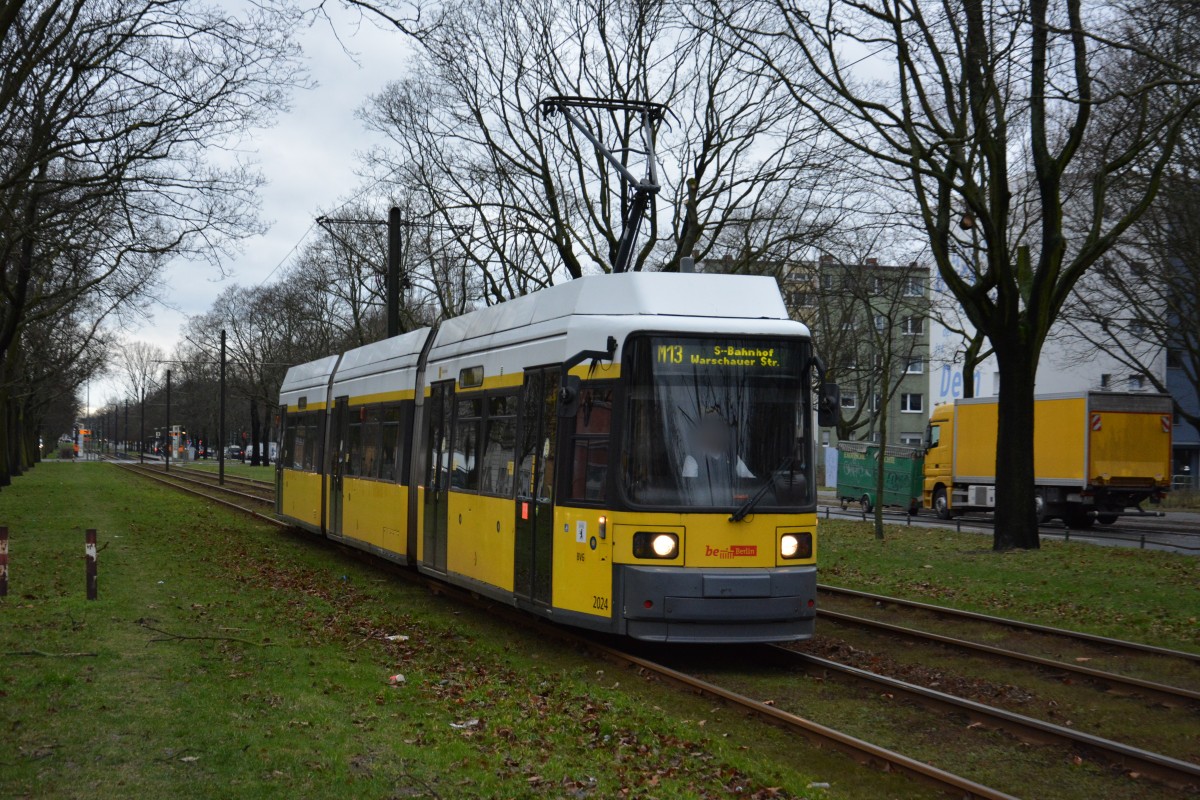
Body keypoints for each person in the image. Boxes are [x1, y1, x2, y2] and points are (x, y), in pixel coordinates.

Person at [681, 409, 754, 504]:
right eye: (709, 427)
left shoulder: (734, 459)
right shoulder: (692, 461)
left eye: (718, 427)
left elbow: (751, 486)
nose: (715, 432)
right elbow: (691, 494)